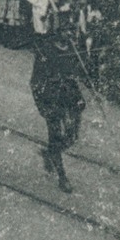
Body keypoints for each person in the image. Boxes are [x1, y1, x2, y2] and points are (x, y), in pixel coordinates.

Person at [30, 28, 87, 194]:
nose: (69, 32)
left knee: (72, 137)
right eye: (65, 28)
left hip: (69, 95)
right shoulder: (44, 50)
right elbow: (35, 81)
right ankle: (62, 177)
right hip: (51, 98)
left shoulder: (71, 48)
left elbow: (78, 72)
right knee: (55, 136)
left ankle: (50, 153)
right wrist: (42, 104)